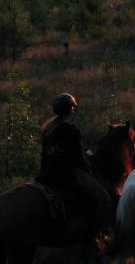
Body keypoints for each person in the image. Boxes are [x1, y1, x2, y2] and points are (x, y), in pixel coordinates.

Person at [37, 92, 111, 230]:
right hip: (66, 175)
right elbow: (79, 159)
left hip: (47, 174)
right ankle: (93, 232)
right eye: (73, 107)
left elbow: (45, 156)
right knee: (101, 196)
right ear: (70, 110)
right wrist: (89, 171)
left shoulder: (48, 130)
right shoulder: (71, 130)